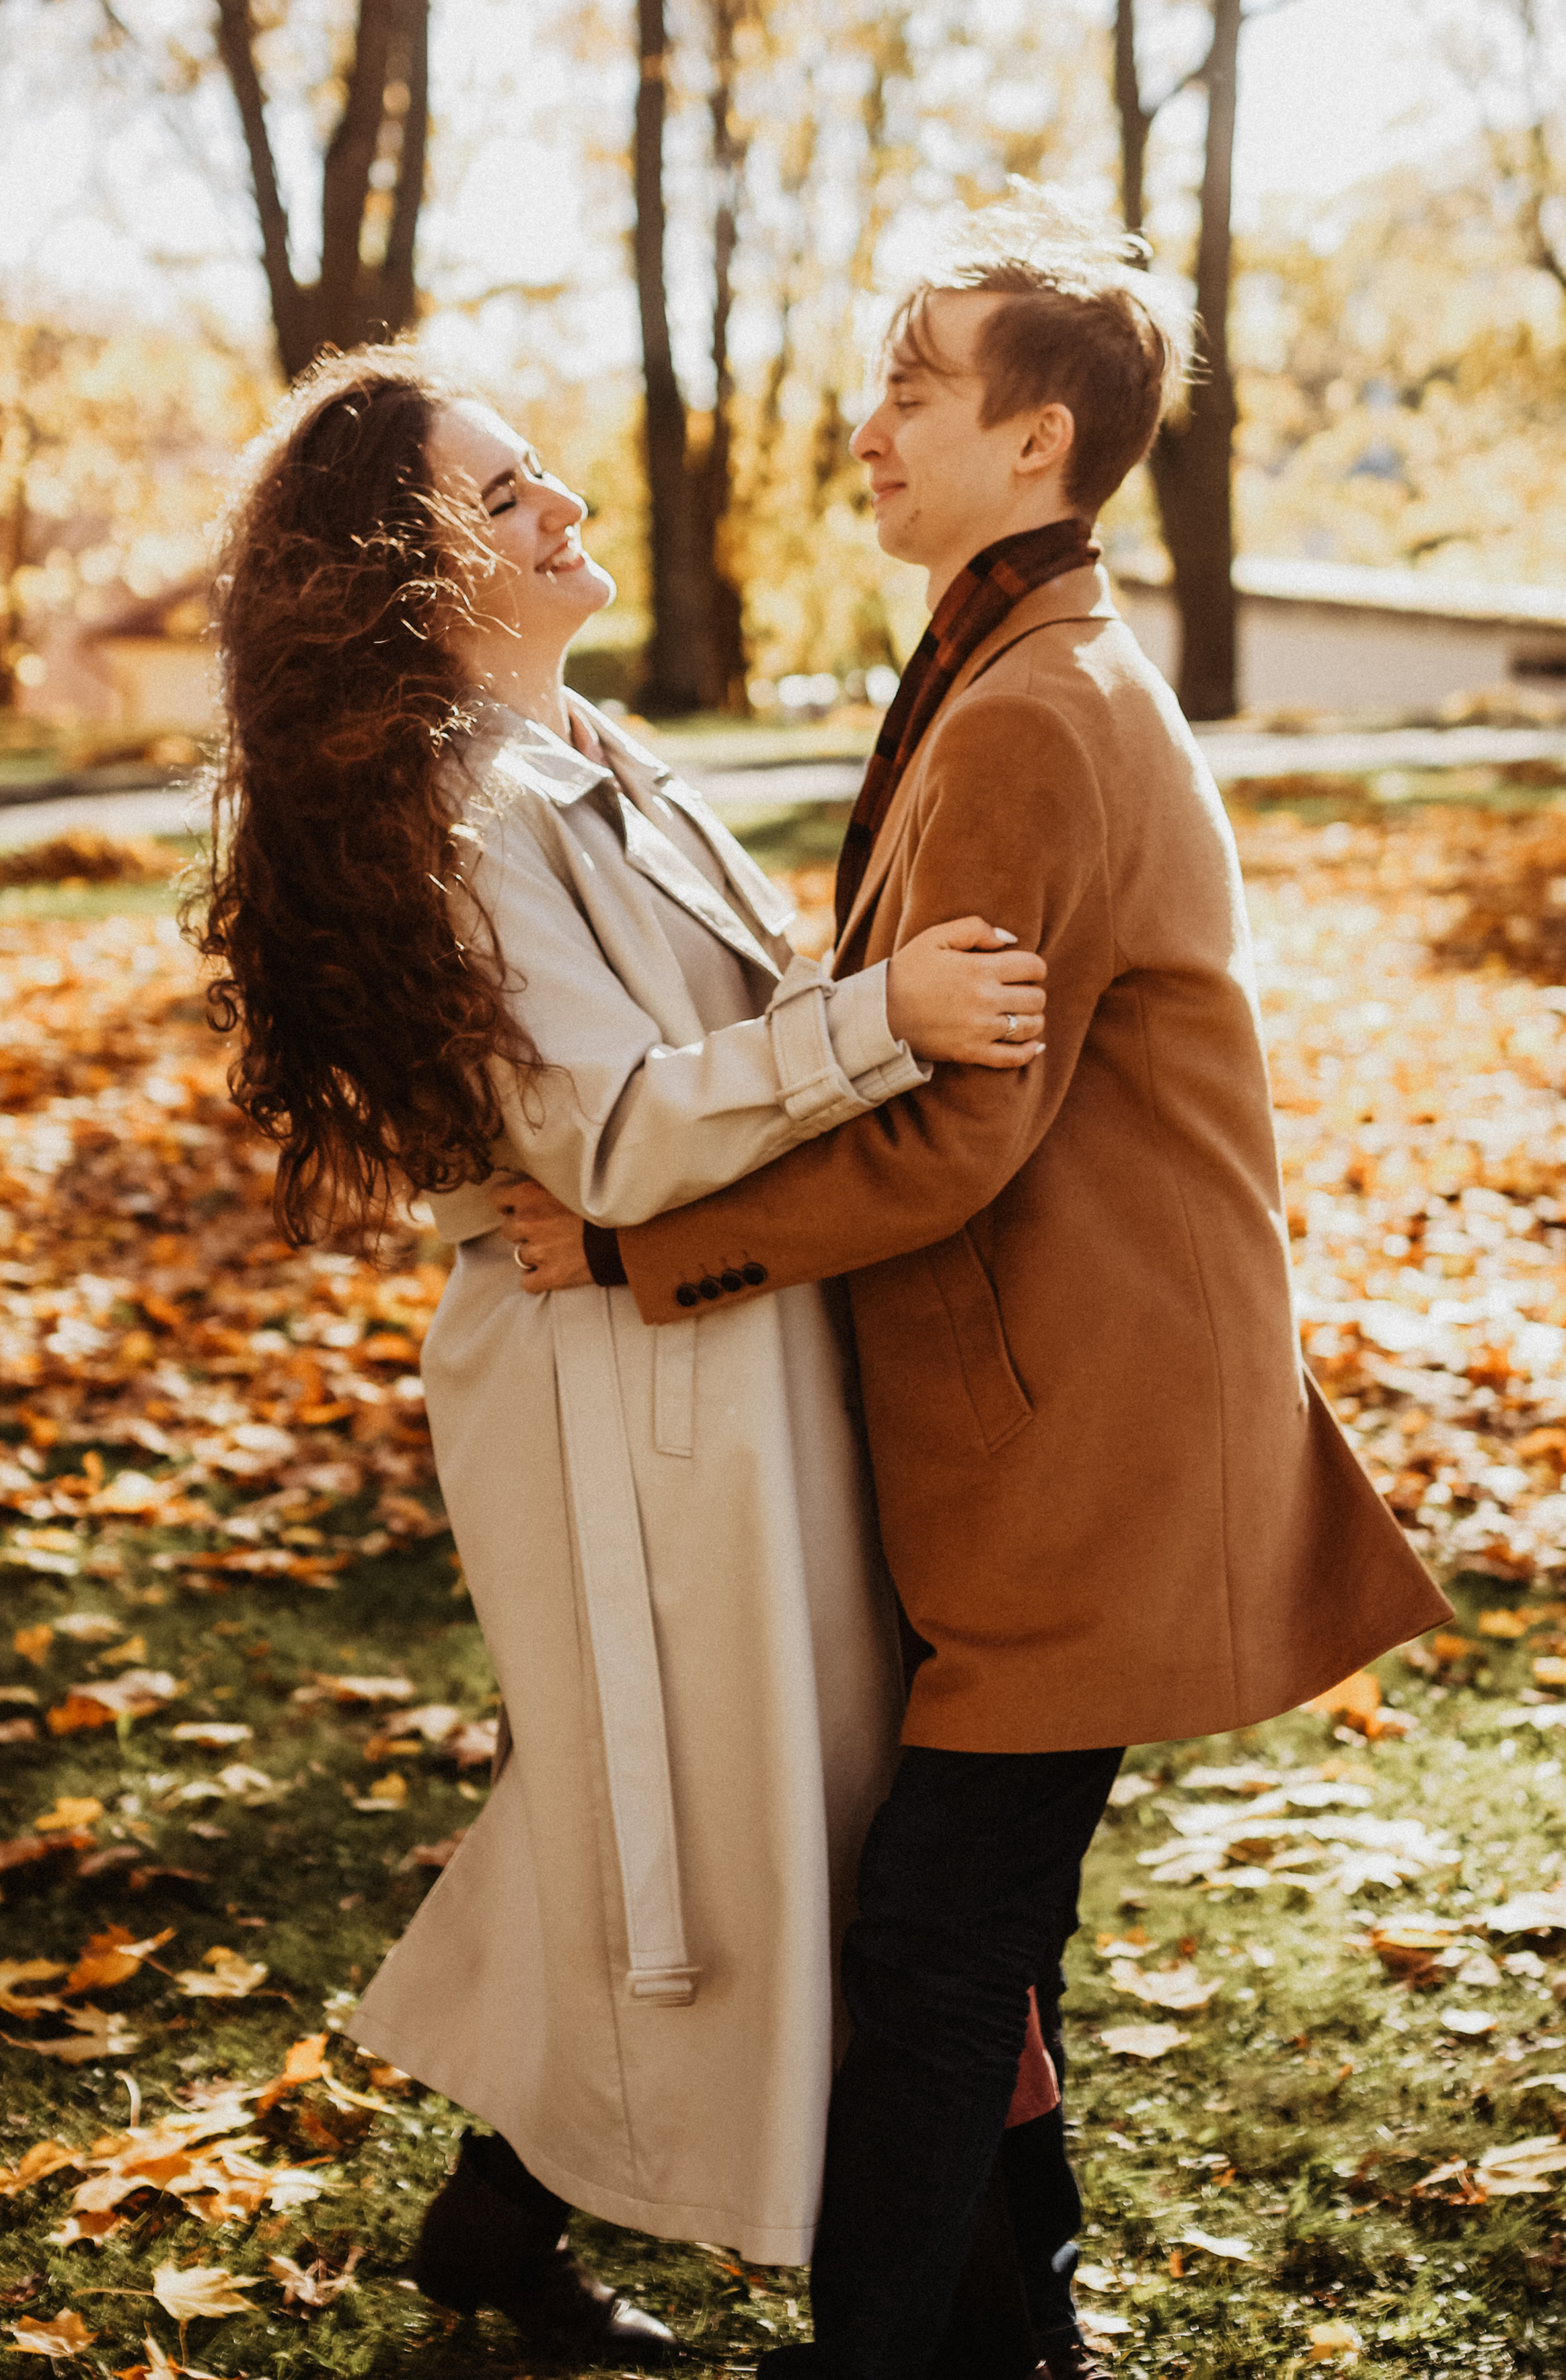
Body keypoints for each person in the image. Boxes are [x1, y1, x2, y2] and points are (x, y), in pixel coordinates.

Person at [500, 189, 1454, 2380]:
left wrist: (648, 1243)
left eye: (915, 390)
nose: (864, 425)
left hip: (1087, 1442)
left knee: (933, 1949)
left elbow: (959, 1135)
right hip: (1047, 1419)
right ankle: (1016, 2318)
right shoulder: (1012, 665)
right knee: (974, 1928)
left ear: (1040, 442)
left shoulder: (1035, 712)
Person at [191, 345, 1051, 2364]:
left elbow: (735, 1020)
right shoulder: (447, 805)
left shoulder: (595, 746)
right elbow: (599, 1128)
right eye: (503, 495)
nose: (561, 500)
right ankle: (978, 2317)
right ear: (404, 569)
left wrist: (883, 990)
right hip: (618, 1393)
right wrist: (888, 1021)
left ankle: (503, 2228)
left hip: (713, 1335)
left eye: (536, 467)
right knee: (730, 1819)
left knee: (692, 1806)